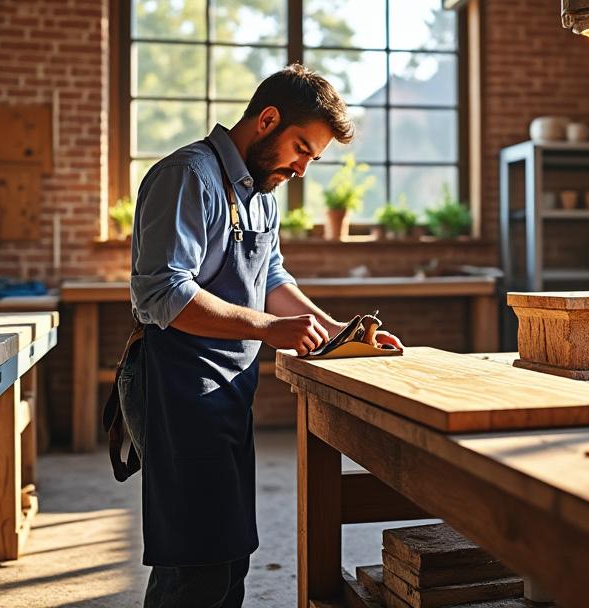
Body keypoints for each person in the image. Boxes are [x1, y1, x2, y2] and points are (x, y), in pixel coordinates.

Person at [119, 64, 403, 607]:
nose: (301, 169)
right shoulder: (188, 176)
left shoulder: (262, 194)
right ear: (266, 120)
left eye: (312, 159)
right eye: (300, 148)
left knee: (230, 552)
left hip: (227, 388)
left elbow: (271, 278)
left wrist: (340, 334)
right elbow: (164, 293)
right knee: (195, 559)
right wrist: (271, 329)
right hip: (175, 385)